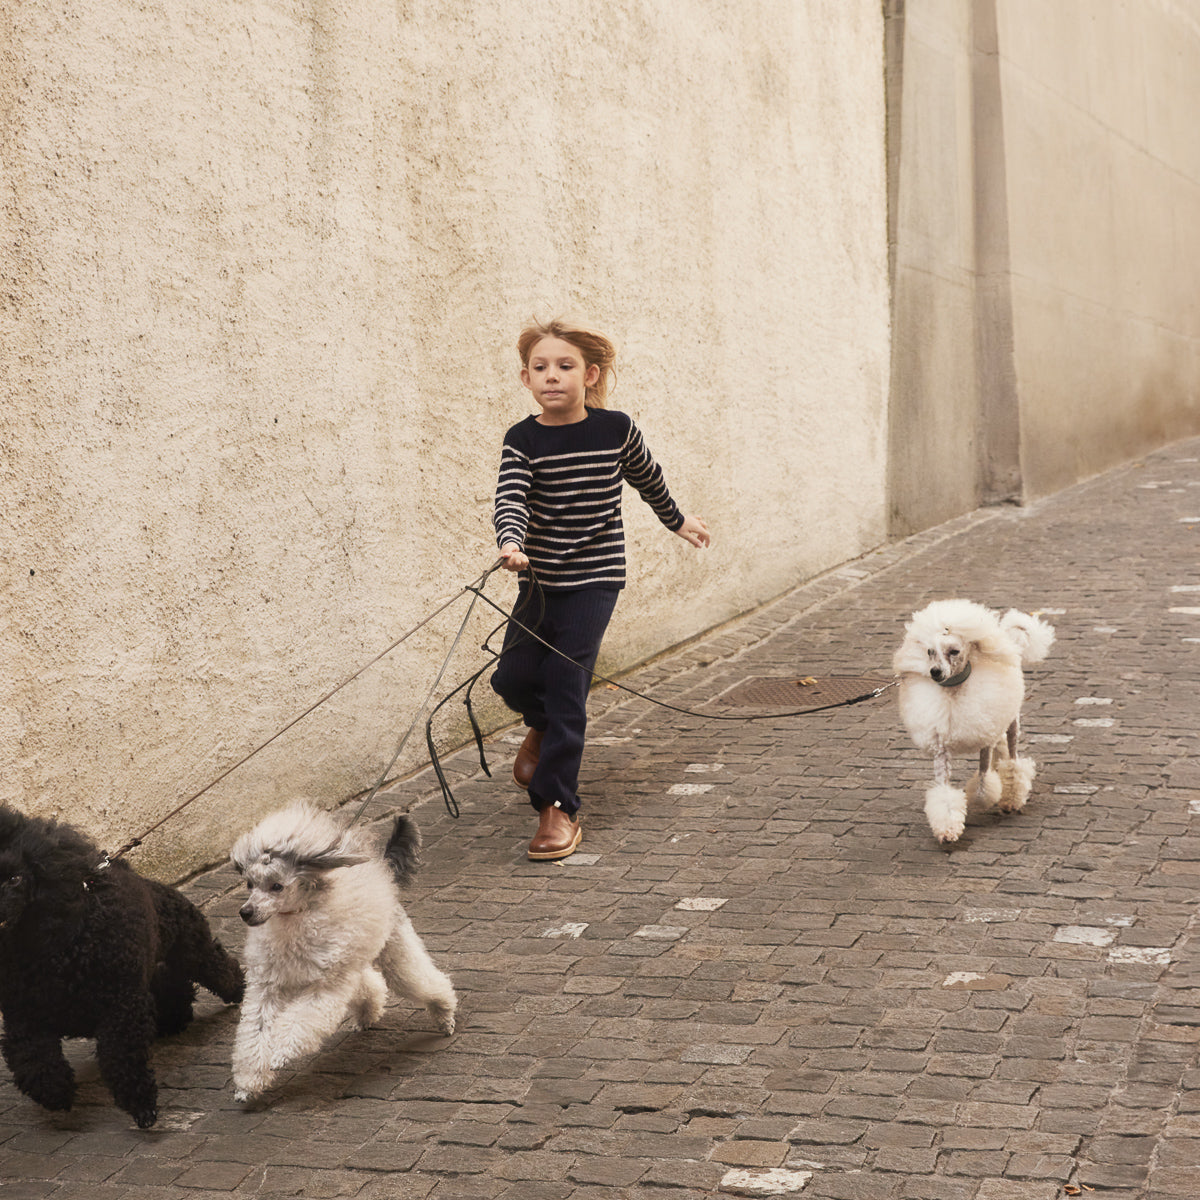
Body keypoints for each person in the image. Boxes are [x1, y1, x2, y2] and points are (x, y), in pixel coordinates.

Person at [491, 318, 711, 861]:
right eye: (540, 367)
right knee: (512, 676)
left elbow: (647, 477)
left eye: (564, 366)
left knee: (568, 682)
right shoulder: (523, 439)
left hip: (596, 576)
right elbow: (511, 495)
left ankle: (557, 806)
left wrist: (677, 521)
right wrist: (511, 541)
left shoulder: (615, 429)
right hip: (539, 577)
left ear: (589, 375)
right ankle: (539, 728)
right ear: (525, 378)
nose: (552, 376)